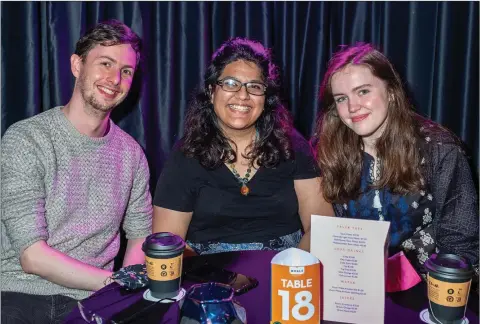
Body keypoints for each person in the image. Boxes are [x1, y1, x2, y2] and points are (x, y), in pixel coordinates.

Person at [1, 20, 153, 323]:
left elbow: (139, 237)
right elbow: (32, 256)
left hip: (95, 299)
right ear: (76, 65)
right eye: (105, 63)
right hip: (21, 292)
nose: (114, 78)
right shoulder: (26, 139)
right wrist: (115, 283)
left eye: (126, 71)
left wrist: (125, 292)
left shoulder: (132, 154)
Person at [153, 37, 333, 256]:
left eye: (254, 86)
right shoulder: (186, 153)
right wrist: (214, 278)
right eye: (230, 83)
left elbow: (321, 226)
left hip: (284, 271)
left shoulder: (292, 145)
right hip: (209, 275)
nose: (243, 95)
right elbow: (169, 242)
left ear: (266, 98)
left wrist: (293, 269)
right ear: (211, 92)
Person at [314, 43, 478, 276]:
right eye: (341, 98)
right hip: (357, 284)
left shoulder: (440, 150)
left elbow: (460, 245)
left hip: (427, 287)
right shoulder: (331, 152)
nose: (352, 106)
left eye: (363, 91)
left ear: (390, 92)